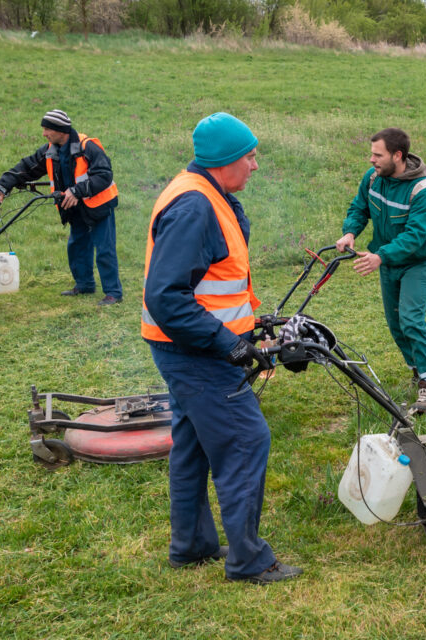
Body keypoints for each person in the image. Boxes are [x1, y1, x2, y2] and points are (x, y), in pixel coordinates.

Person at [141, 112, 300, 584]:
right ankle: (249, 560)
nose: (255, 165)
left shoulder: (212, 194)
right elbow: (166, 295)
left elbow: (214, 281)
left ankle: (191, 546)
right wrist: (226, 344)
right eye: (249, 156)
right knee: (246, 441)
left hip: (185, 347)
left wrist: (251, 325)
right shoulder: (195, 206)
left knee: (191, 447)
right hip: (196, 352)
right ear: (225, 160)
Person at [336, 127, 426, 413]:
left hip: (416, 261)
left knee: (411, 320)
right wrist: (350, 233)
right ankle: (418, 371)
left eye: (377, 155)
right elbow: (360, 208)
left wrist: (380, 256)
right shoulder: (373, 178)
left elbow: (414, 236)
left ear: (398, 156)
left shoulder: (423, 190)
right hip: (386, 259)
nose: (372, 160)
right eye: (372, 154)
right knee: (396, 325)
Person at [0, 109, 123, 306]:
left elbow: (104, 175)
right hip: (73, 208)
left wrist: (76, 191)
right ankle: (84, 285)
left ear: (61, 130)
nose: (44, 134)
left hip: (97, 205)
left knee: (104, 249)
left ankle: (113, 293)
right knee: (76, 247)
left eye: (47, 129)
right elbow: (27, 167)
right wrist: (3, 185)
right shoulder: (50, 150)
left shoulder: (87, 146)